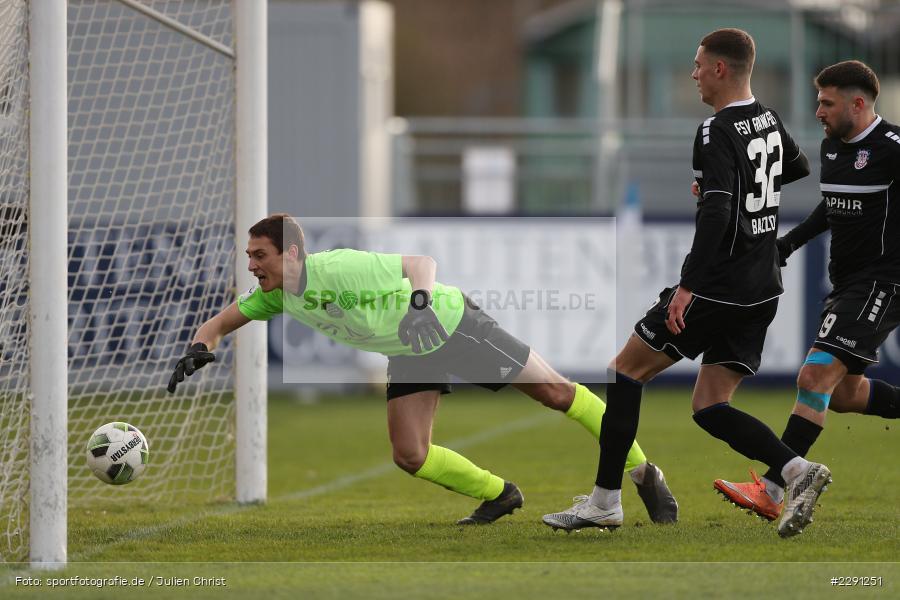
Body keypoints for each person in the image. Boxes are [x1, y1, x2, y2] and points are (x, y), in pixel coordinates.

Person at [167, 213, 679, 525]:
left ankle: (643, 473)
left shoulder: (336, 266)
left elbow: (422, 264)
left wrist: (418, 307)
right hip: (412, 351)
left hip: (451, 322)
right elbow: (221, 321)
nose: (252, 266)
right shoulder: (275, 295)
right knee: (409, 454)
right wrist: (199, 344)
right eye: (250, 257)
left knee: (556, 394)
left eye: (260, 256)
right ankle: (499, 495)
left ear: (292, 253)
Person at [542, 28, 828, 539]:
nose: (693, 73)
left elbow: (717, 211)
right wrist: (741, 186)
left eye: (698, 65)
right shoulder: (768, 116)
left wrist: (686, 286)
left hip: (718, 284)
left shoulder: (715, 129)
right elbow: (798, 166)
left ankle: (605, 502)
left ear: (721, 68)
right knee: (709, 405)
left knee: (624, 372)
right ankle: (797, 471)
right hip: (763, 286)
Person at [714, 60, 900, 521]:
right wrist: (790, 243)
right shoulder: (833, 147)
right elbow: (832, 203)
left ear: (858, 103)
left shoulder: (894, 147)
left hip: (884, 281)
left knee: (814, 376)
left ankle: (775, 489)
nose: (818, 110)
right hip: (846, 283)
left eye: (826, 102)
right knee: (842, 395)